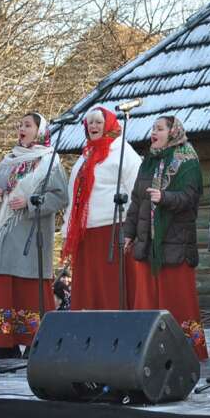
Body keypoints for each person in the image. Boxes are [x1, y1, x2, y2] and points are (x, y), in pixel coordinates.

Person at [123, 116, 207, 360]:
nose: (153, 133)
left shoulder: (188, 160)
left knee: (176, 300)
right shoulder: (148, 162)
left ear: (173, 132)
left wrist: (165, 198)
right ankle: (149, 350)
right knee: (147, 301)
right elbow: (137, 201)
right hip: (147, 242)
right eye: (153, 129)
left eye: (159, 128)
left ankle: (184, 351)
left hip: (175, 242)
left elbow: (190, 198)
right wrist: (128, 234)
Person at [0, 112, 68, 359]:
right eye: (20, 125)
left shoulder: (49, 161)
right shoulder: (8, 159)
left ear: (40, 131)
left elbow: (61, 196)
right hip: (5, 235)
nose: (21, 128)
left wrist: (31, 202)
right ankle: (6, 343)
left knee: (30, 288)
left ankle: (34, 342)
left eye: (27, 125)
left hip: (31, 237)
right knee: (5, 287)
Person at [61, 106, 141, 310]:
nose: (93, 126)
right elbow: (74, 196)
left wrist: (134, 229)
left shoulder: (123, 152)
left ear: (109, 124)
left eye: (98, 122)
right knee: (90, 287)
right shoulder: (85, 156)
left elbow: (137, 191)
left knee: (111, 286)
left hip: (114, 230)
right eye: (90, 122)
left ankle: (116, 325)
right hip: (86, 233)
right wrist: (67, 230)